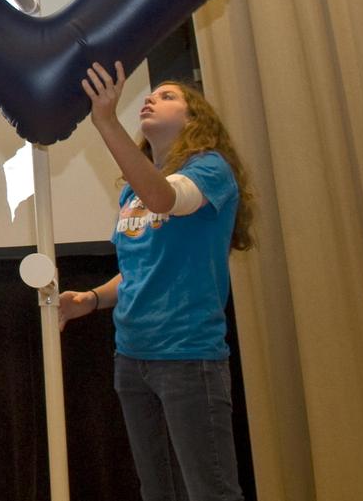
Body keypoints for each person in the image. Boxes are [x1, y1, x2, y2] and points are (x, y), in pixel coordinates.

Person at [60, 61, 254, 501]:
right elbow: (135, 270)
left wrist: (105, 121)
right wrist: (89, 300)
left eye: (168, 97)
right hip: (132, 357)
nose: (151, 99)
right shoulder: (134, 191)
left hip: (187, 357)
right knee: (157, 491)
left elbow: (164, 198)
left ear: (194, 121)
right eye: (153, 94)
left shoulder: (211, 169)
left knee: (211, 491)